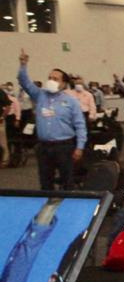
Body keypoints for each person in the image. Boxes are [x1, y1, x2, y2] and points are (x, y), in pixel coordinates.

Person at [16, 50, 85, 190]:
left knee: (67, 180)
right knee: (45, 181)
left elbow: (80, 125)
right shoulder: (40, 95)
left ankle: (68, 203)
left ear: (63, 83)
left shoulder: (71, 101)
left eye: (55, 79)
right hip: (44, 147)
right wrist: (23, 64)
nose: (51, 81)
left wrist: (80, 147)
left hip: (64, 146)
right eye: (49, 78)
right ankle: (47, 203)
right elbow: (24, 82)